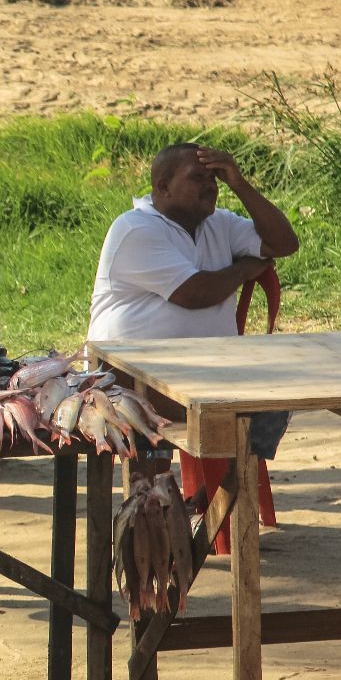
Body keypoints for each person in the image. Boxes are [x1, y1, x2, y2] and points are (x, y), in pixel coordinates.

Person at [88, 142, 300, 465]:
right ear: (163, 187)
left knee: (274, 396)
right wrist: (244, 269)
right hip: (128, 382)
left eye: (214, 179)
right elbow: (194, 294)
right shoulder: (134, 229)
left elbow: (284, 243)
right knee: (241, 407)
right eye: (198, 178)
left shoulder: (219, 223)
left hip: (203, 374)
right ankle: (210, 499)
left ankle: (218, 499)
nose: (211, 187)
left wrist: (239, 183)